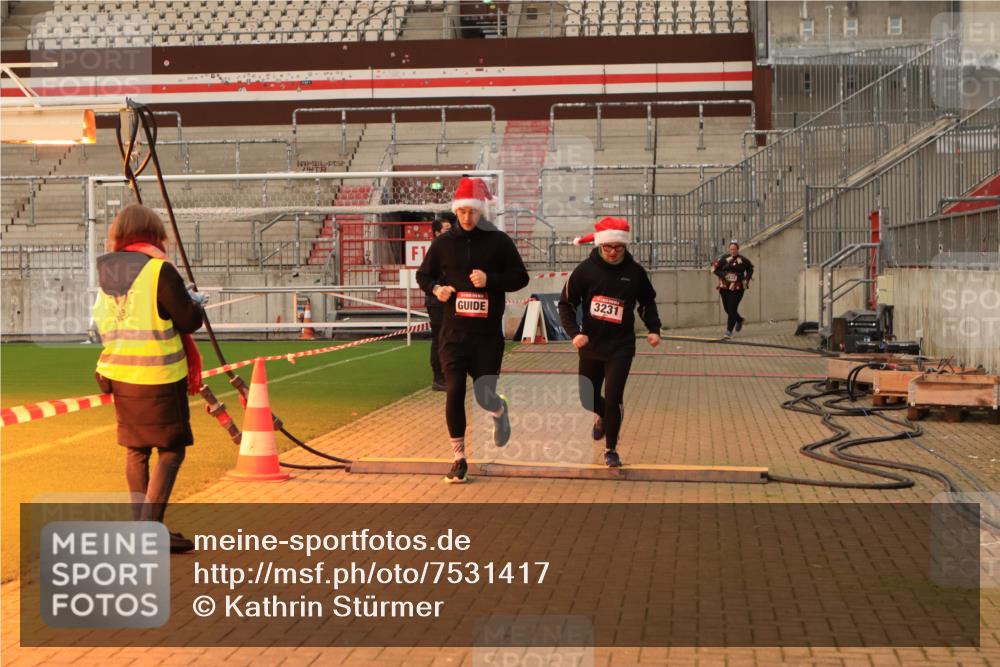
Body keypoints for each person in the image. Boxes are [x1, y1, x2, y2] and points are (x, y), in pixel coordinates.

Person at [92, 204, 206, 553]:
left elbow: (101, 319)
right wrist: (196, 302)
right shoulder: (159, 270)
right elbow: (187, 320)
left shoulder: (106, 270)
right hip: (158, 374)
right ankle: (149, 529)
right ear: (154, 234)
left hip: (120, 373)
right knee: (171, 450)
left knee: (136, 450)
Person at [416, 177, 529, 484]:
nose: (467, 217)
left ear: (482, 212)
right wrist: (436, 289)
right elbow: (423, 275)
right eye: (462, 212)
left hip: (487, 337)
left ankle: (498, 410)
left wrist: (490, 279)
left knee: (483, 395)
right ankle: (458, 457)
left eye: (473, 212)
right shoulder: (443, 244)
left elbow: (521, 277)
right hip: (453, 334)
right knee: (454, 390)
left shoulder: (499, 242)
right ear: (456, 210)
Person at [558, 217, 661, 468]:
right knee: (586, 397)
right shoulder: (585, 270)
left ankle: (611, 449)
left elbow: (647, 302)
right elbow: (566, 304)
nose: (613, 253)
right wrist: (574, 333)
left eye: (618, 248)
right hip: (591, 345)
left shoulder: (635, 272)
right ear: (599, 245)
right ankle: (604, 415)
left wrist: (653, 329)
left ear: (625, 246)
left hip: (621, 346)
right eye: (608, 248)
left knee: (614, 397)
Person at [426, 213, 454, 391]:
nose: (451, 233)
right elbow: (426, 277)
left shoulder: (448, 249)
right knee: (439, 339)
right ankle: (438, 378)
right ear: (436, 233)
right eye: (446, 230)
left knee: (448, 338)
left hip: (447, 301)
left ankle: (447, 375)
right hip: (436, 302)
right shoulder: (435, 252)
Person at [712, 240, 754, 338]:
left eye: (734, 249)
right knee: (727, 309)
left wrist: (746, 279)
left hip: (738, 288)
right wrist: (724, 275)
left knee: (732, 308)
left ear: (738, 249)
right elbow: (714, 268)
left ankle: (729, 331)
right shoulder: (724, 258)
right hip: (725, 287)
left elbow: (750, 268)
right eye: (731, 249)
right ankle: (739, 319)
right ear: (729, 249)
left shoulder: (743, 260)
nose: (733, 251)